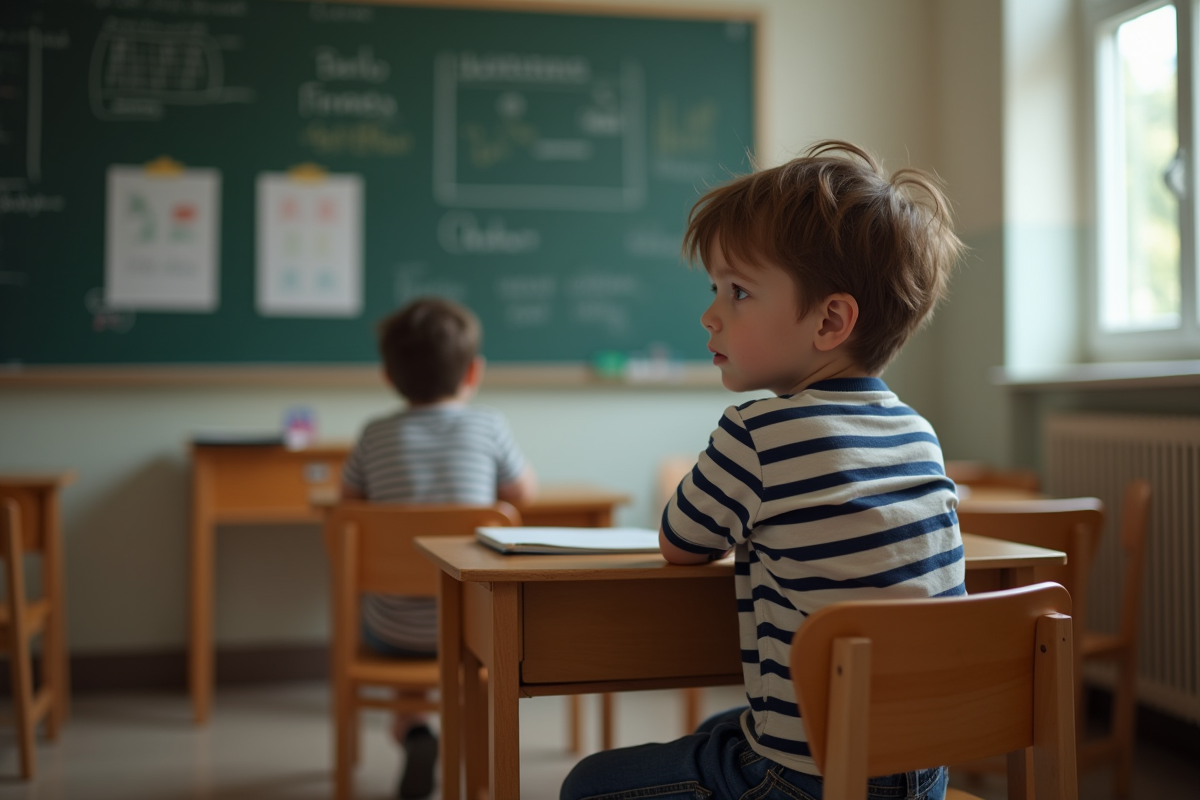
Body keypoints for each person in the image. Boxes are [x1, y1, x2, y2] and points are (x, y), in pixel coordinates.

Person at [560, 141, 966, 800]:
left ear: (831, 320)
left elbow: (680, 542)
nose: (709, 313)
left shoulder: (759, 432)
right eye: (714, 288)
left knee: (588, 784)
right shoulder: (919, 433)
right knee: (726, 725)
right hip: (922, 770)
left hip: (807, 780)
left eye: (738, 292)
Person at [341, 296, 536, 800]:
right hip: (470, 628)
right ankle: (474, 748)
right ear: (473, 371)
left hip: (392, 629)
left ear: (388, 374)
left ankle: (413, 726)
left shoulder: (373, 434)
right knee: (469, 626)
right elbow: (522, 496)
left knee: (399, 614)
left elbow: (348, 511)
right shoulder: (488, 426)